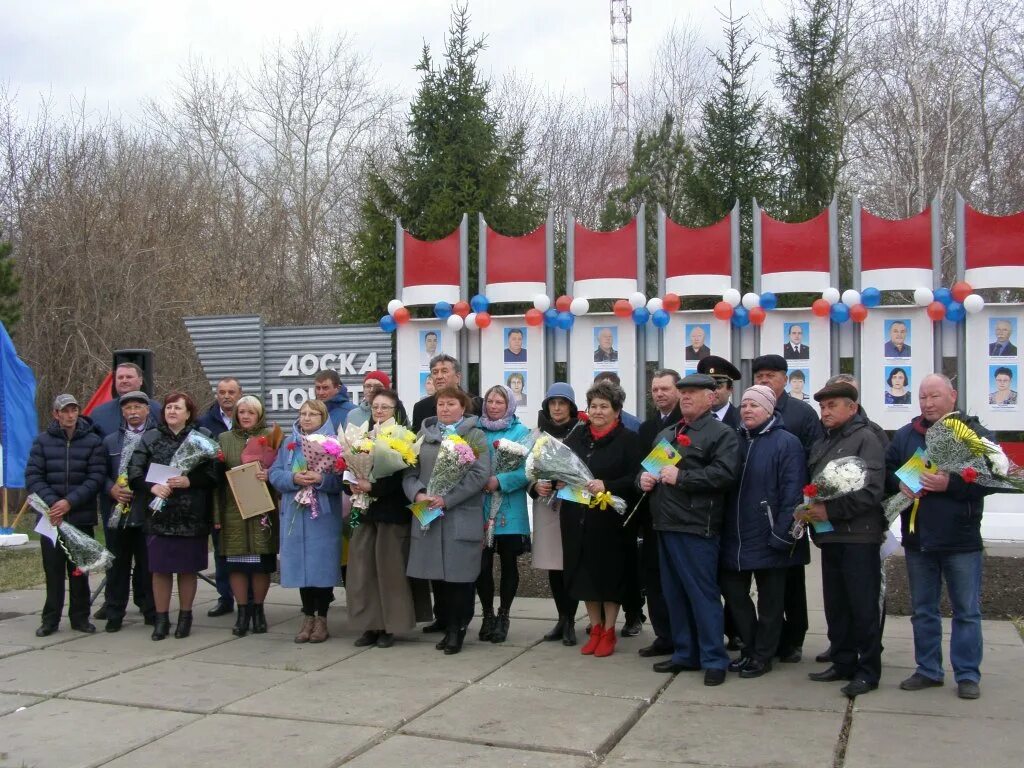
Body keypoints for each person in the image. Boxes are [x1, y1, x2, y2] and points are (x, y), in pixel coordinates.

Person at [886, 374, 994, 700]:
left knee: (966, 611)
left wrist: (952, 485)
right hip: (919, 540)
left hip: (961, 540)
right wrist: (898, 485)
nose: (928, 403)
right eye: (922, 397)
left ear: (952, 396)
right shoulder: (906, 435)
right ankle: (928, 669)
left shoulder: (973, 433)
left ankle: (967, 674)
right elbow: (888, 470)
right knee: (923, 609)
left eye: (934, 396)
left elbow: (993, 476)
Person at [640, 373, 738, 686]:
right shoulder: (670, 433)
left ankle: (714, 658)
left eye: (694, 392)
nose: (686, 397)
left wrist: (681, 478)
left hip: (697, 526)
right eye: (683, 392)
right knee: (674, 594)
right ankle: (685, 652)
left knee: (702, 595)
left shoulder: (720, 434)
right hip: (665, 524)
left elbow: (724, 474)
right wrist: (642, 480)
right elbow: (650, 469)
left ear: (712, 397)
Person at [545, 379, 640, 658]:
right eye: (594, 406)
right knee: (583, 573)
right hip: (576, 517)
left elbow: (635, 478)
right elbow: (561, 469)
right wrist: (558, 481)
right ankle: (595, 628)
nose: (598, 411)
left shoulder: (628, 440)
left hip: (609, 521)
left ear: (617, 410)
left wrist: (607, 485)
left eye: (604, 406)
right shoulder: (577, 437)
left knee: (609, 576)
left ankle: (610, 630)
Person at [805, 380, 887, 698]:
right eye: (822, 407)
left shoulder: (867, 438)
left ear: (851, 407)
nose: (825, 412)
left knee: (862, 606)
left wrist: (830, 511)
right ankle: (842, 661)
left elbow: (871, 491)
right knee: (836, 604)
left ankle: (868, 670)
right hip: (831, 537)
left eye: (832, 406)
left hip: (859, 536)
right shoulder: (824, 440)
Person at [720, 385, 807, 679]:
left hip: (769, 535)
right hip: (736, 535)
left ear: (770, 410)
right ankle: (751, 647)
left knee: (771, 602)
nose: (747, 410)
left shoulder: (786, 443)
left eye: (754, 405)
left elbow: (792, 491)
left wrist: (783, 534)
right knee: (735, 595)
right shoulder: (734, 440)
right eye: (744, 405)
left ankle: (763, 655)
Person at [404, 386, 490, 655]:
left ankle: (458, 629)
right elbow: (409, 470)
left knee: (460, 578)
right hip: (429, 513)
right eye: (441, 404)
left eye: (451, 404)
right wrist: (418, 493)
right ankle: (444, 622)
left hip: (459, 515)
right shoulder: (423, 435)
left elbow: (479, 475)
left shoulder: (475, 436)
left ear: (462, 408)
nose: (445, 408)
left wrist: (447, 498)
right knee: (437, 577)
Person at [127, 392, 219, 641]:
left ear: (188, 413)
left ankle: (186, 616)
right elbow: (134, 471)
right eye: (169, 407)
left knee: (187, 570)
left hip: (192, 515)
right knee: (160, 570)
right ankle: (161, 618)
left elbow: (215, 474)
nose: (172, 412)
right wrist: (151, 487)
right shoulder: (151, 437)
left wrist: (190, 480)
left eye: (178, 408)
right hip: (159, 514)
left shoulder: (203, 438)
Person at [753, 354, 823, 663]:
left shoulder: (801, 413)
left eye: (771, 375)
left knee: (792, 578)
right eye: (759, 376)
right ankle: (769, 636)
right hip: (755, 512)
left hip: (792, 508)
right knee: (766, 581)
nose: (764, 380)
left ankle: (794, 638)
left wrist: (806, 505)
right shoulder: (750, 409)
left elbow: (815, 457)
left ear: (784, 379)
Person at [347, 389, 430, 648]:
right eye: (375, 407)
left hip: (392, 516)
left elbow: (402, 477)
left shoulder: (404, 437)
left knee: (390, 572)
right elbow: (348, 468)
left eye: (385, 407)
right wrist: (351, 484)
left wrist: (374, 488)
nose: (379, 411)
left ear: (396, 411)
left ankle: (390, 627)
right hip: (365, 513)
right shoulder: (360, 437)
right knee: (363, 572)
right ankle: (370, 625)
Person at [25, 394, 106, 637]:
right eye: (65, 411)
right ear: (56, 414)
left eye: (74, 410)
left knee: (79, 570)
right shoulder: (42, 442)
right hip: (51, 518)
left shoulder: (93, 441)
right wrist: (54, 504)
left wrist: (70, 502)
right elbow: (33, 477)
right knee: (53, 571)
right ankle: (50, 619)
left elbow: (96, 477)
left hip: (80, 517)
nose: (70, 415)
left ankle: (80, 617)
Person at [269, 399, 344, 644]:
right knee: (301, 567)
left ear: (323, 418)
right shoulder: (289, 444)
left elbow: (342, 480)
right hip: (295, 514)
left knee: (320, 567)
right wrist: (293, 478)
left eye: (313, 414)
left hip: (321, 516)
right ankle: (307, 616)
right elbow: (274, 473)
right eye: (303, 413)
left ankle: (321, 618)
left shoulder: (333, 444)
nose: (307, 418)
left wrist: (320, 478)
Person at [214, 395, 283, 636]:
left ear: (259, 415)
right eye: (241, 412)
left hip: (262, 510)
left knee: (261, 565)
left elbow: (281, 470)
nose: (245, 416)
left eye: (250, 412)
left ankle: (258, 610)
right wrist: (216, 514)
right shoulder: (224, 439)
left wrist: (269, 474)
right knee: (236, 565)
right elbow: (216, 481)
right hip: (232, 509)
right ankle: (242, 611)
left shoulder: (271, 437)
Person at [529, 383, 584, 645]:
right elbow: (526, 469)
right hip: (546, 506)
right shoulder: (537, 434)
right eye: (553, 403)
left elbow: (588, 470)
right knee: (553, 564)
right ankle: (561, 617)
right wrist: (534, 485)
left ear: (571, 406)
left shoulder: (581, 432)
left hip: (572, 504)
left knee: (570, 563)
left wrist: (572, 482)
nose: (558, 408)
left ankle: (572, 620)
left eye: (563, 402)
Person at [476, 385, 532, 643]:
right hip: (481, 508)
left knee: (509, 563)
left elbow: (530, 472)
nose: (494, 406)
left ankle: (504, 614)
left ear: (509, 404)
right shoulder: (476, 430)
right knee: (482, 565)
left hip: (510, 508)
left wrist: (501, 480)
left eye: (499, 401)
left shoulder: (522, 433)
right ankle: (487, 614)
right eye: (490, 401)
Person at [99, 391, 158, 632]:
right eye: (128, 408)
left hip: (146, 510)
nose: (133, 412)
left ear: (147, 410)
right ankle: (114, 612)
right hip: (117, 511)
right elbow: (98, 473)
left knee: (148, 565)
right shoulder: (110, 441)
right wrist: (111, 489)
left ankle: (151, 610)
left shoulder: (156, 438)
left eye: (137, 407)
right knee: (117, 565)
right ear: (122, 413)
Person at [634, 369, 682, 657]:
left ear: (678, 391)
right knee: (654, 578)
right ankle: (663, 634)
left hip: (680, 514)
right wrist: (641, 479)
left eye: (665, 388)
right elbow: (640, 470)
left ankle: (683, 636)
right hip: (651, 515)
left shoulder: (687, 425)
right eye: (655, 389)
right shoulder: (646, 428)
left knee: (678, 579)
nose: (660, 394)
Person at [195, 376, 243, 619]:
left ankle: (250, 600)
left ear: (239, 394)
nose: (226, 396)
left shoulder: (249, 419)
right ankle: (225, 597)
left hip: (246, 493)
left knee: (246, 549)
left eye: (231, 392)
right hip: (218, 494)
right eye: (222, 392)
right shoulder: (203, 424)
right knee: (222, 549)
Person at [411, 354, 481, 433]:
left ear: (457, 377)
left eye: (444, 371)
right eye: (435, 372)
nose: (439, 376)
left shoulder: (477, 404)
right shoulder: (421, 408)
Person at [90, 362, 162, 437]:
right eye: (120, 377)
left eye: (129, 377)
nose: (124, 381)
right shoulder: (99, 413)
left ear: (140, 380)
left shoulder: (157, 410)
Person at [697, 356, 741, 428]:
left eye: (718, 386)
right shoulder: (695, 419)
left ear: (730, 390)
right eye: (709, 387)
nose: (713, 392)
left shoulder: (740, 419)